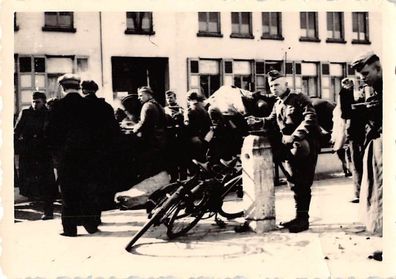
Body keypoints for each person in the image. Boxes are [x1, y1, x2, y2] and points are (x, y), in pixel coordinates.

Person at [246, 70, 320, 233]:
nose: (274, 88)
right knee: (294, 182)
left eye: (277, 84)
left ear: (286, 84)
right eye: (271, 85)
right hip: (289, 149)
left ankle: (303, 220)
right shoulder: (278, 103)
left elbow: (310, 118)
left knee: (303, 183)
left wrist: (295, 135)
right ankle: (298, 216)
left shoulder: (299, 98)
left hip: (304, 146)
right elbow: (272, 120)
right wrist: (258, 120)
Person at [46, 74, 100, 236]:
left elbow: (49, 133)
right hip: (88, 157)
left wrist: (57, 154)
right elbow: (97, 132)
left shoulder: (57, 106)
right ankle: (91, 224)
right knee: (87, 189)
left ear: (63, 88)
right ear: (78, 87)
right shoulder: (89, 106)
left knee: (68, 192)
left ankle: (70, 229)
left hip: (66, 158)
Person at [351, 52, 383, 249]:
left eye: (365, 73)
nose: (363, 78)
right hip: (376, 146)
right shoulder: (372, 89)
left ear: (378, 69)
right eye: (360, 76)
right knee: (377, 194)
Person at [14, 91, 58, 220]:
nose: (34, 104)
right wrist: (17, 148)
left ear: (44, 102)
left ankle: (48, 211)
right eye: (33, 101)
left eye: (38, 102)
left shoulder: (49, 114)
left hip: (44, 153)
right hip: (29, 153)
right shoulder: (26, 113)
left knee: (47, 182)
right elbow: (17, 131)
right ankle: (38, 204)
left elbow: (54, 133)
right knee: (30, 182)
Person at [81, 80, 120, 210]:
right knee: (103, 176)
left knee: (88, 179)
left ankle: (92, 207)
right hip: (104, 148)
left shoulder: (81, 105)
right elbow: (114, 129)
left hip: (86, 149)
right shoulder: (106, 106)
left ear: (84, 90)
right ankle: (105, 203)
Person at [338, 77, 366, 200]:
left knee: (357, 162)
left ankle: (360, 193)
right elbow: (345, 111)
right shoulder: (348, 94)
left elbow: (345, 113)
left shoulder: (364, 93)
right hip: (356, 133)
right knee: (356, 162)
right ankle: (358, 192)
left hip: (358, 132)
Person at [132, 86, 167, 180]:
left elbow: (143, 123)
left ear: (148, 95)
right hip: (160, 140)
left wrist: (134, 129)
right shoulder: (158, 104)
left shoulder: (147, 105)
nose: (139, 98)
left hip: (151, 141)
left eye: (141, 95)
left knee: (145, 165)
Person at [164, 90, 187, 182]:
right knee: (172, 161)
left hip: (181, 139)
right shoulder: (164, 110)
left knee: (182, 161)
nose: (169, 100)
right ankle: (174, 180)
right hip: (170, 139)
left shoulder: (182, 109)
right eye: (167, 98)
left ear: (175, 98)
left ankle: (184, 180)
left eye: (171, 97)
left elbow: (185, 124)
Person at [185, 90, 212, 163]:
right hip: (205, 138)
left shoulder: (190, 111)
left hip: (194, 139)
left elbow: (188, 127)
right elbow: (209, 124)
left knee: (193, 161)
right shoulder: (203, 110)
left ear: (188, 100)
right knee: (202, 161)